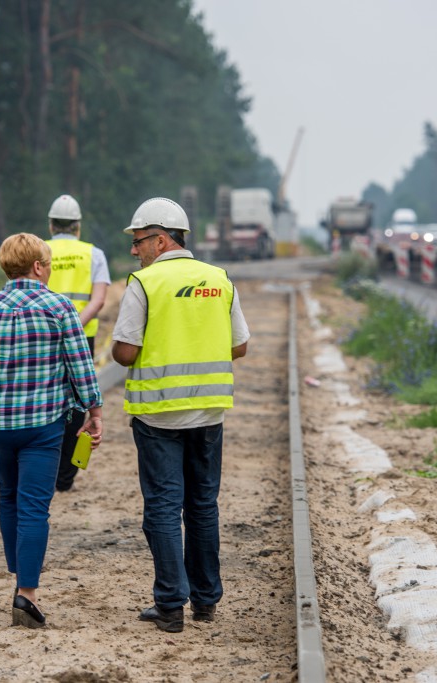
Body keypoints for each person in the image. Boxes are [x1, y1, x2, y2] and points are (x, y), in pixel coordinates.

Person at [0, 232, 104, 629]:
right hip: (43, 427)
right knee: (35, 507)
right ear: (37, 267)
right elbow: (80, 365)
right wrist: (94, 411)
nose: (49, 271)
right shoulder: (59, 307)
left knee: (9, 500)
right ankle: (26, 593)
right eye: (48, 265)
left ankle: (19, 572)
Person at [111, 198, 250, 633]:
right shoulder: (219, 279)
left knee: (164, 509)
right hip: (208, 415)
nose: (135, 251)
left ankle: (171, 605)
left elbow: (126, 352)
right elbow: (240, 345)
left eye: (138, 242)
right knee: (203, 507)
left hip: (158, 418)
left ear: (160, 239)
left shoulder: (145, 283)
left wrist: (125, 348)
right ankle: (206, 601)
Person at [44, 194, 112, 493]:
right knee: (76, 402)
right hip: (82, 335)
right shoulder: (93, 254)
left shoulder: (40, 251)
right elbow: (98, 300)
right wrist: (72, 327)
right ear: (78, 226)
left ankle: (42, 468)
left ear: (50, 224)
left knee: (43, 398)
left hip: (40, 337)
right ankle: (65, 476)